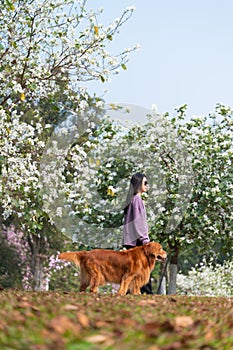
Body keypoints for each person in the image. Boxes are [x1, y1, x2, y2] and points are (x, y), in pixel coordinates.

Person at [123, 172, 153, 294]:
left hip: (132, 241)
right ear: (138, 184)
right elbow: (138, 222)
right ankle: (148, 292)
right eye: (145, 183)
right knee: (144, 268)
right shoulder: (137, 200)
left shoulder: (132, 199)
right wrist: (146, 241)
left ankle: (130, 292)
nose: (147, 185)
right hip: (138, 242)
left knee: (133, 269)